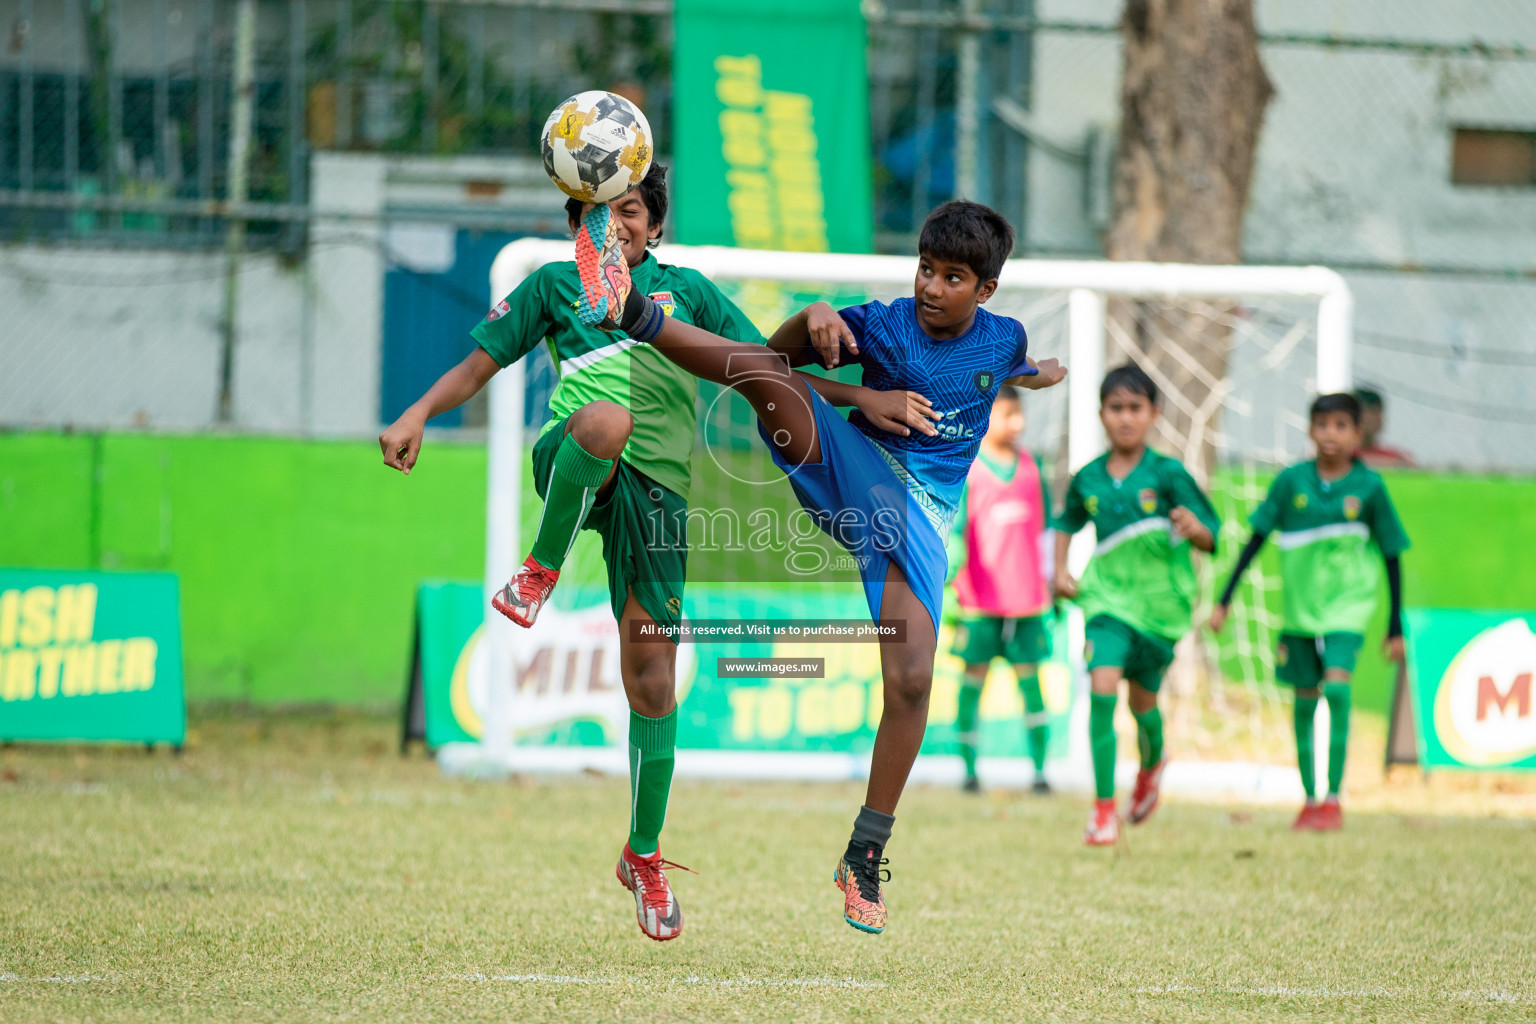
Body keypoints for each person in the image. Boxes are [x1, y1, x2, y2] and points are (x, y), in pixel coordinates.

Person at [575, 198, 1066, 933]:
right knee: (767, 381)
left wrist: (1031, 374)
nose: (931, 288)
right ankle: (633, 310)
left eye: (952, 277)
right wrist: (811, 320)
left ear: (985, 290)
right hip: (849, 465)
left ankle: (863, 856)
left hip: (920, 520)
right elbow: (772, 356)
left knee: (912, 678)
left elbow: (1007, 365)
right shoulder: (883, 323)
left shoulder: (1005, 337)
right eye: (925, 270)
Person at [380, 166, 772, 943]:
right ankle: (540, 566)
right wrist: (419, 410)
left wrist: (853, 399)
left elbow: (764, 360)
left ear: (654, 226)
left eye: (628, 210)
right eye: (596, 212)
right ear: (574, 227)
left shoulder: (687, 293)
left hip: (660, 499)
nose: (614, 224)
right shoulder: (555, 286)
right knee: (603, 419)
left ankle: (644, 854)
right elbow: (479, 365)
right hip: (576, 461)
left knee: (653, 679)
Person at [1209, 392, 1408, 831]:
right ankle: (1309, 798)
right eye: (1322, 425)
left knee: (1336, 691)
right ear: (1310, 430)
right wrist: (1224, 598)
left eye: (1341, 426)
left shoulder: (1369, 487)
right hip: (1300, 613)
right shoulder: (1291, 483)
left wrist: (1396, 624)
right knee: (1304, 701)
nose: (1330, 434)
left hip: (1347, 611)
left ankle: (1334, 798)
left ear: (1358, 434)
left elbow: (1393, 553)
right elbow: (1256, 539)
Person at [1053, 365, 1219, 848]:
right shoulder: (1088, 478)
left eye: (1135, 408)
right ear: (1101, 414)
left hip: (1161, 610)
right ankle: (1103, 809)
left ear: (1154, 414)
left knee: (1142, 703)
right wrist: (1059, 569)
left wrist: (1195, 527)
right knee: (1102, 685)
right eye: (1115, 408)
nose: (1125, 418)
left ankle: (1153, 763)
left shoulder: (1168, 474)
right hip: (1105, 602)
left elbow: (1212, 535)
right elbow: (1065, 521)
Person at [947, 385, 1055, 795]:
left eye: (1019, 414)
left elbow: (1044, 530)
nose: (1017, 423)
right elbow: (956, 532)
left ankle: (1041, 772)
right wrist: (949, 579)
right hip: (978, 604)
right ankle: (969, 771)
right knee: (973, 682)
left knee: (1032, 685)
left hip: (1027, 602)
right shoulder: (969, 469)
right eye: (1007, 414)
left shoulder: (1031, 466)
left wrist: (1050, 584)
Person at [1353, 388, 1414, 468]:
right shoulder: (1341, 455)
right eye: (1366, 413)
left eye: (1376, 414)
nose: (1371, 419)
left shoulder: (1394, 456)